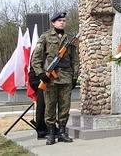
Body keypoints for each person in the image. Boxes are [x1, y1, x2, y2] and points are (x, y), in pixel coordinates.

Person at [31, 12, 79, 145]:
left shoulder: (70, 39)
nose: (62, 22)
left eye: (64, 20)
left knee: (65, 107)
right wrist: (41, 74)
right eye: (59, 21)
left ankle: (62, 133)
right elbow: (36, 58)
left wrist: (75, 77)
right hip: (50, 79)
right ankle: (51, 133)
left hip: (66, 78)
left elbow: (75, 60)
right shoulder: (45, 37)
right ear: (53, 23)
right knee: (50, 106)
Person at [28, 64, 48, 140]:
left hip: (42, 76)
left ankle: (47, 127)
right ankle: (41, 130)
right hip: (38, 78)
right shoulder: (39, 52)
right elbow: (36, 63)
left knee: (46, 104)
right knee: (42, 104)